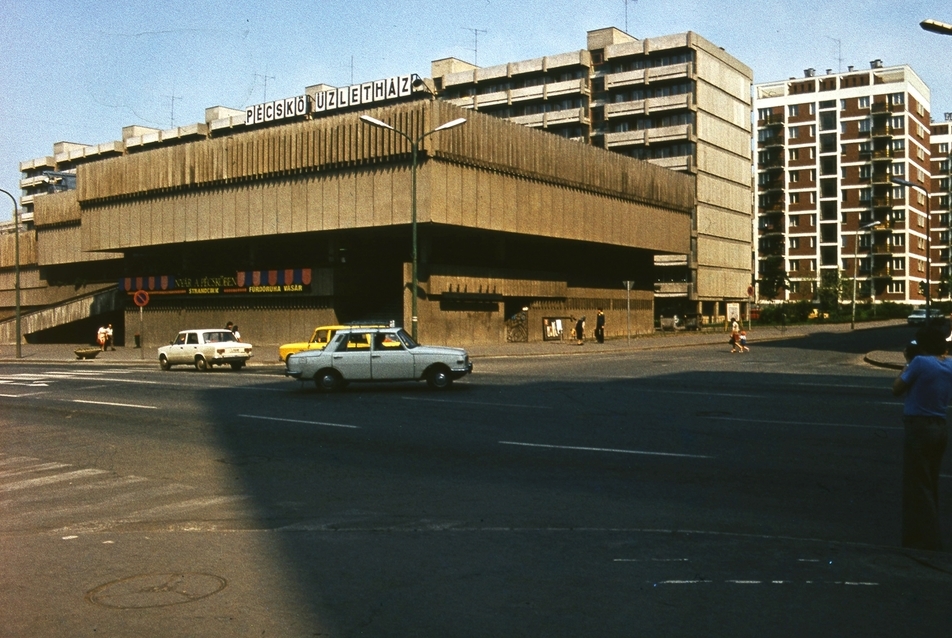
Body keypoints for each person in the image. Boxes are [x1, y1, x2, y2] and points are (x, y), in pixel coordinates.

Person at [892, 323, 952, 550]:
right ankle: (930, 532)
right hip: (940, 426)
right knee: (931, 480)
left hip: (918, 427)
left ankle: (924, 538)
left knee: (917, 483)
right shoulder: (950, 364)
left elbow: (896, 388)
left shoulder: (918, 363)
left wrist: (907, 363)